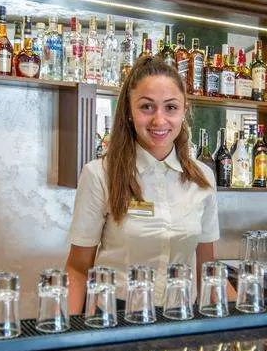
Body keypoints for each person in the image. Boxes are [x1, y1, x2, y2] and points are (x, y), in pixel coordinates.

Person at [65, 53, 220, 314]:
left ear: (184, 111)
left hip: (181, 316)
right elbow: (78, 269)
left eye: (171, 107)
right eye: (147, 107)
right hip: (114, 315)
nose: (159, 120)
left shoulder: (203, 178)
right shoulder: (99, 174)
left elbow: (208, 269)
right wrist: (69, 333)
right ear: (129, 111)